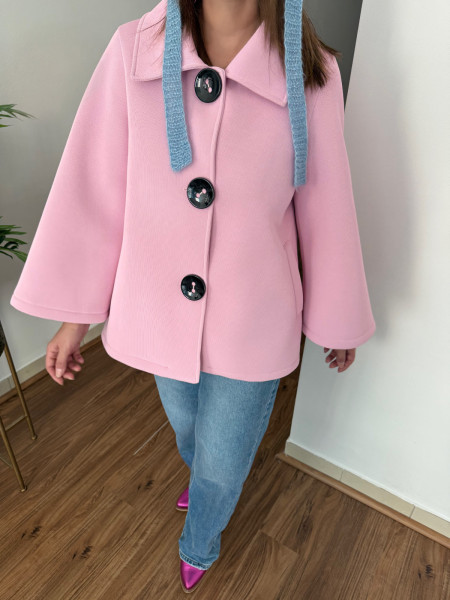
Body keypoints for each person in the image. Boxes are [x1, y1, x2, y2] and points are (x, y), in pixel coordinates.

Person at [10, 0, 376, 593]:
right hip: (158, 310)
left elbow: (326, 205)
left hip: (254, 318)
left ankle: (201, 538)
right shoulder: (134, 51)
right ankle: (203, 478)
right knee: (188, 429)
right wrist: (74, 317)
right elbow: (97, 187)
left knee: (224, 458)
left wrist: (336, 319)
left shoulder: (313, 71)